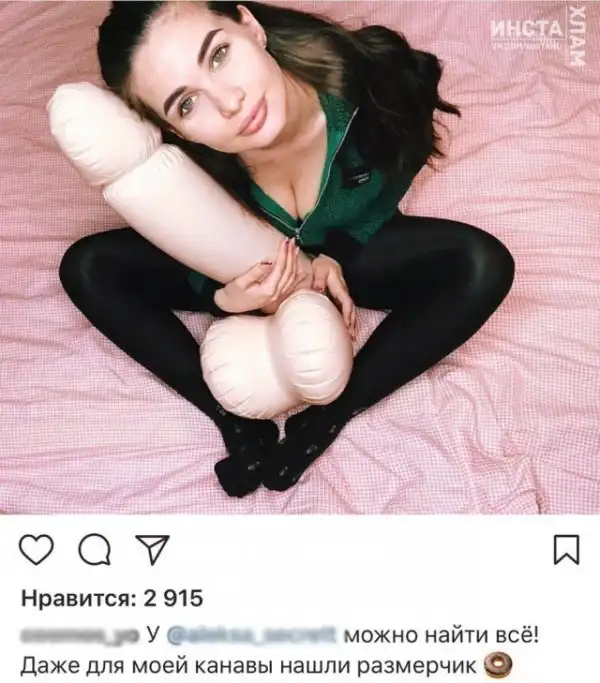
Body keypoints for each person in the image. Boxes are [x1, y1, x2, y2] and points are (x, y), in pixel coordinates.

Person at [59, 0, 515, 498]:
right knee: (88, 266)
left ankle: (327, 417)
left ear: (250, 27)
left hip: (342, 258)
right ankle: (233, 422)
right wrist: (223, 296)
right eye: (186, 104)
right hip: (245, 268)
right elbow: (183, 240)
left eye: (218, 55)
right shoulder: (183, 170)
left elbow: (403, 155)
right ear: (172, 129)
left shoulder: (370, 83)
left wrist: (339, 252)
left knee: (482, 264)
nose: (229, 102)